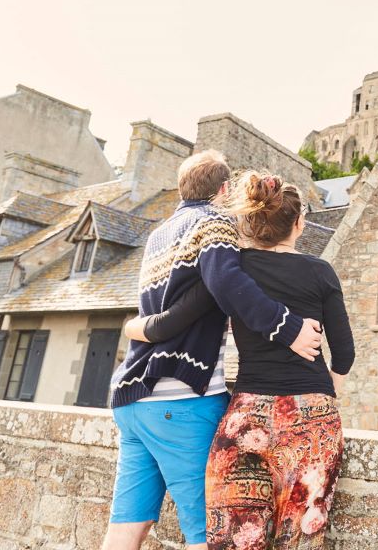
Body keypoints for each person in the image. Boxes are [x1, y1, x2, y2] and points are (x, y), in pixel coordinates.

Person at [103, 151, 324, 550]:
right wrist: (288, 328)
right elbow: (227, 283)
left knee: (126, 528)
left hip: (131, 398)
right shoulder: (214, 221)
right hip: (178, 400)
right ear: (223, 190)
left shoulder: (159, 234)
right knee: (206, 534)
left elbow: (160, 311)